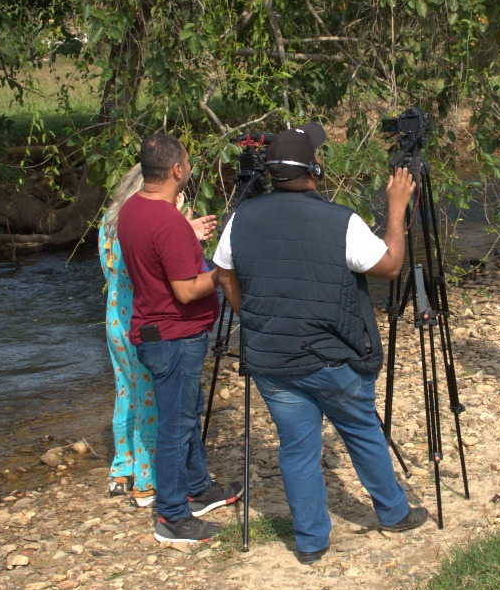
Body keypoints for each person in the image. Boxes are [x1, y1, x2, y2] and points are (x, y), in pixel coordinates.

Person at [212, 122, 429, 565]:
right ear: (314, 170)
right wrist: (395, 207)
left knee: (296, 449)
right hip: (334, 358)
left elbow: (223, 274)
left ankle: (311, 542)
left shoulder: (239, 219)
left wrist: (249, 315)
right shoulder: (341, 221)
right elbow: (389, 266)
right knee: (362, 431)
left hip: (273, 360)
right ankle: (392, 512)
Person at [116, 133, 242, 543]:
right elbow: (187, 290)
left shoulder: (133, 209)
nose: (189, 168)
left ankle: (198, 486)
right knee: (175, 424)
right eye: (187, 162)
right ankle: (172, 514)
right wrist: (224, 271)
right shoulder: (167, 221)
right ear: (176, 170)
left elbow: (156, 258)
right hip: (174, 335)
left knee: (185, 411)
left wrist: (186, 235)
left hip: (156, 329)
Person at [99, 165, 216, 511]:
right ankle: (147, 481)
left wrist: (182, 229)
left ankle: (122, 470)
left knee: (126, 391)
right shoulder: (143, 222)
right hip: (141, 317)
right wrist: (180, 231)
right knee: (152, 399)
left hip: (114, 317)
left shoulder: (111, 222)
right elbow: (151, 269)